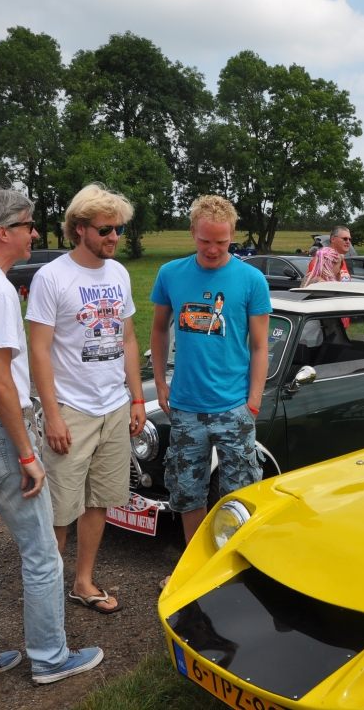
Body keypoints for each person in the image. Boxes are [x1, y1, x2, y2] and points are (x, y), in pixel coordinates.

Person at [0, 187, 103, 689]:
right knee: (41, 552)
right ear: (2, 232)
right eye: (27, 225)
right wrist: (27, 454)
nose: (35, 233)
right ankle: (50, 658)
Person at [26, 184, 145, 615]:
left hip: (114, 406)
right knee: (59, 509)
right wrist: (52, 415)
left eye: (119, 229)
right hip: (71, 410)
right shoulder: (52, 277)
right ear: (79, 229)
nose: (115, 237)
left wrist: (136, 399)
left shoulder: (119, 274)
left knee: (99, 501)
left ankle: (82, 582)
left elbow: (127, 339)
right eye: (106, 229)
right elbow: (39, 350)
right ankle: (45, 600)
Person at [149, 195, 271, 562]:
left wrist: (253, 402)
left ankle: (234, 566)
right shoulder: (170, 273)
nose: (213, 249)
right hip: (186, 406)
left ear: (233, 234)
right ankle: (197, 566)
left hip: (234, 406)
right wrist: (160, 382)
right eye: (205, 241)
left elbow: (260, 346)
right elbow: (159, 330)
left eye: (222, 241)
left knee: (240, 494)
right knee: (188, 493)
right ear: (192, 232)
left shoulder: (251, 279)